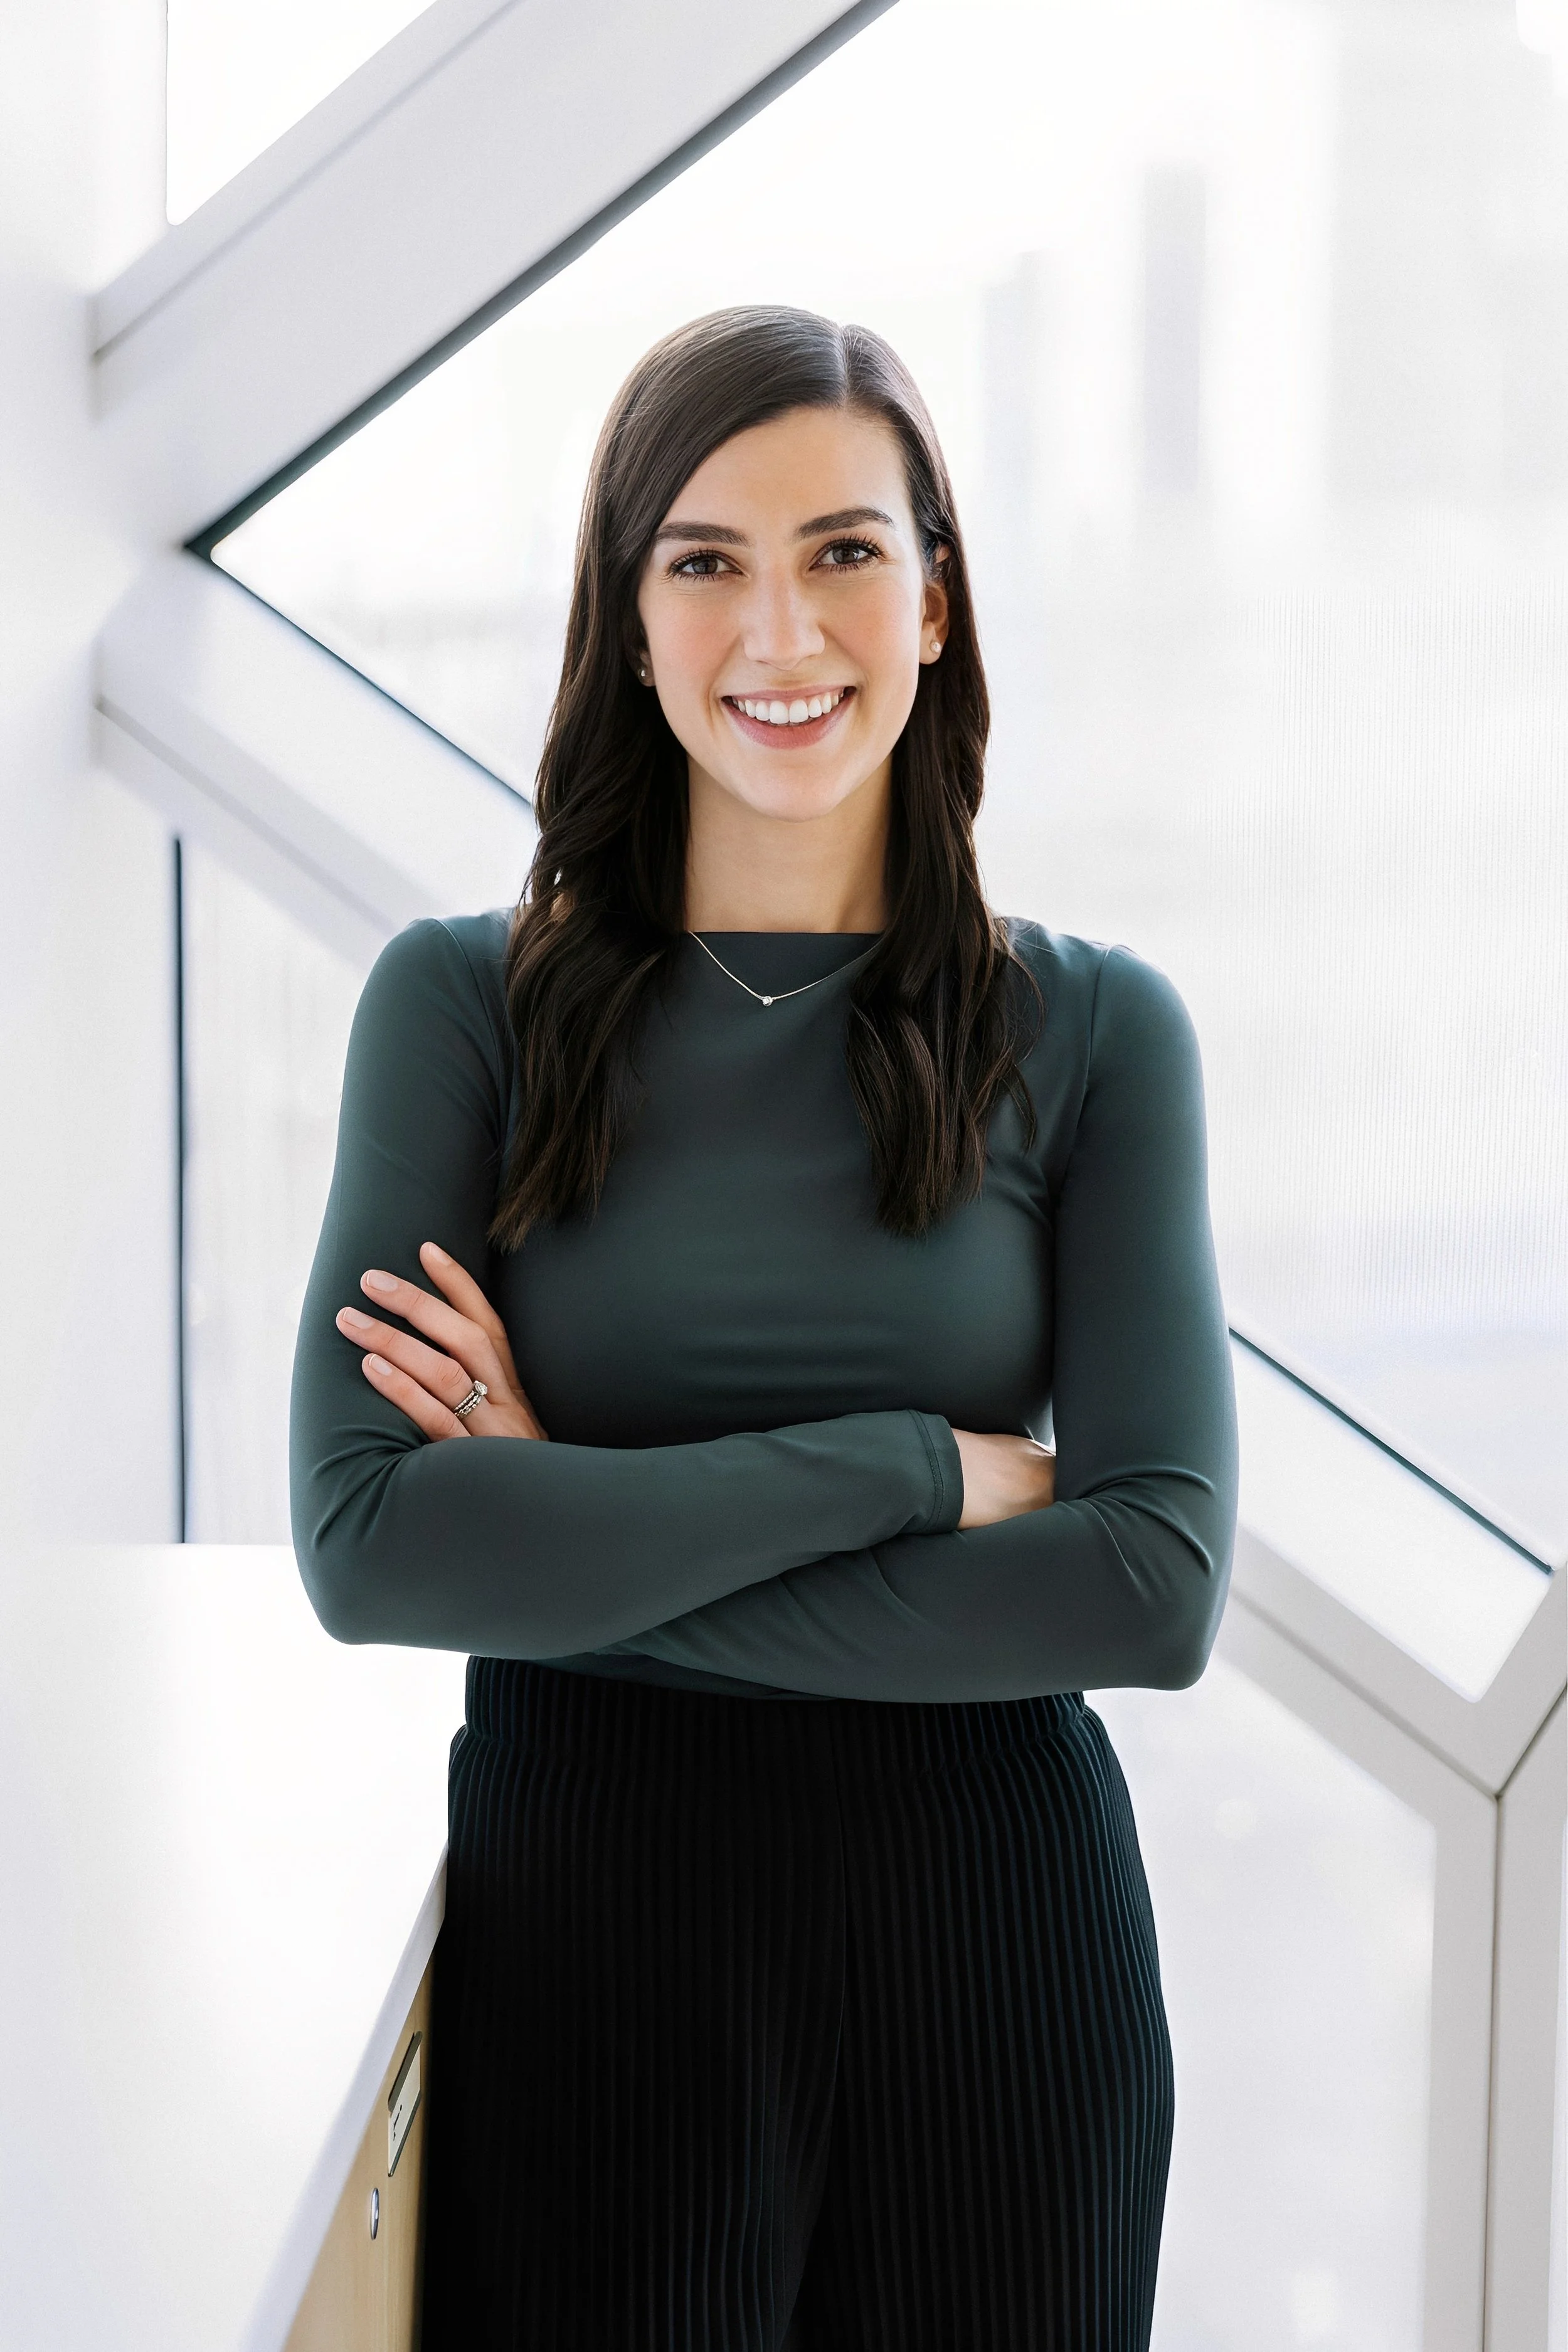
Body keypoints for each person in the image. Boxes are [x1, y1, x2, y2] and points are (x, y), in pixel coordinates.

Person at [290, 304, 1237, 2351]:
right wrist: (911, 1468)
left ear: (932, 599)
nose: (778, 629)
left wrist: (567, 1523)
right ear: (629, 621)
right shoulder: (466, 1009)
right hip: (594, 1942)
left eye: (840, 551)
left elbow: (1150, 1584)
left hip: (992, 1946)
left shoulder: (1087, 1030)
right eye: (703, 560)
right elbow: (374, 1549)